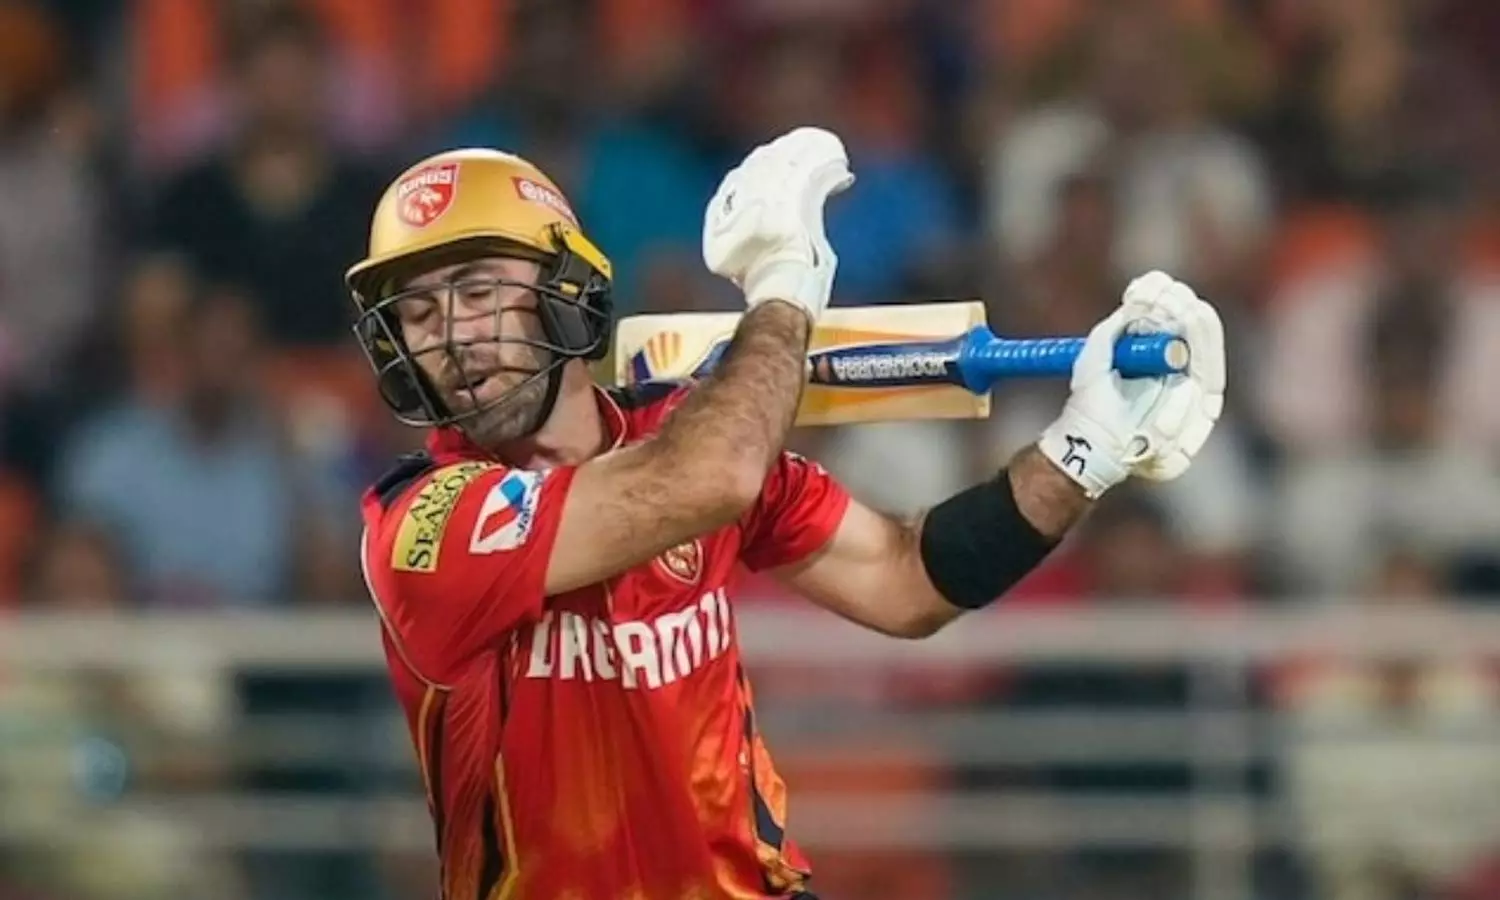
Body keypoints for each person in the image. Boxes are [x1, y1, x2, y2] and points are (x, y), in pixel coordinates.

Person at [346, 127, 1225, 899]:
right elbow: (714, 473)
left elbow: (907, 581)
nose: (452, 337)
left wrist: (1082, 451)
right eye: (417, 313)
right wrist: (783, 286)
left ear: (564, 286)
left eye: (478, 291)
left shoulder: (687, 431)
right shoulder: (421, 526)